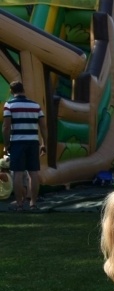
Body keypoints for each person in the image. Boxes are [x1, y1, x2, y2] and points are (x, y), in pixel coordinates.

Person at [2, 81, 47, 210]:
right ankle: (33, 203)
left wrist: (6, 144)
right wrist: (44, 143)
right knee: (33, 173)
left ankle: (19, 204)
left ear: (11, 91)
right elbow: (43, 127)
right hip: (33, 142)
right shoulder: (36, 105)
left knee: (18, 173)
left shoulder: (9, 105)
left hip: (17, 142)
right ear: (23, 90)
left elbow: (6, 127)